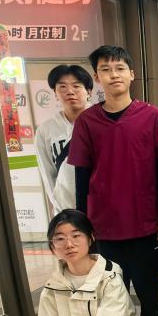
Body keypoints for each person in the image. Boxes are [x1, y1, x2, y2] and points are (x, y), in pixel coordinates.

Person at [68, 45, 158, 316]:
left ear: (131, 74)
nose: (113, 75)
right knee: (108, 301)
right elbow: (82, 176)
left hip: (145, 227)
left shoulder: (151, 116)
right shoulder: (87, 121)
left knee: (151, 298)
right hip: (104, 229)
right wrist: (83, 227)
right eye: (105, 69)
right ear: (97, 77)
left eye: (119, 68)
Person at [34, 64, 93, 215]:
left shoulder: (102, 123)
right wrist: (60, 211)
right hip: (67, 210)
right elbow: (48, 175)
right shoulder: (45, 131)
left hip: (101, 206)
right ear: (55, 93)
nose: (70, 91)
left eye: (76, 86)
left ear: (88, 91)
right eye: (62, 87)